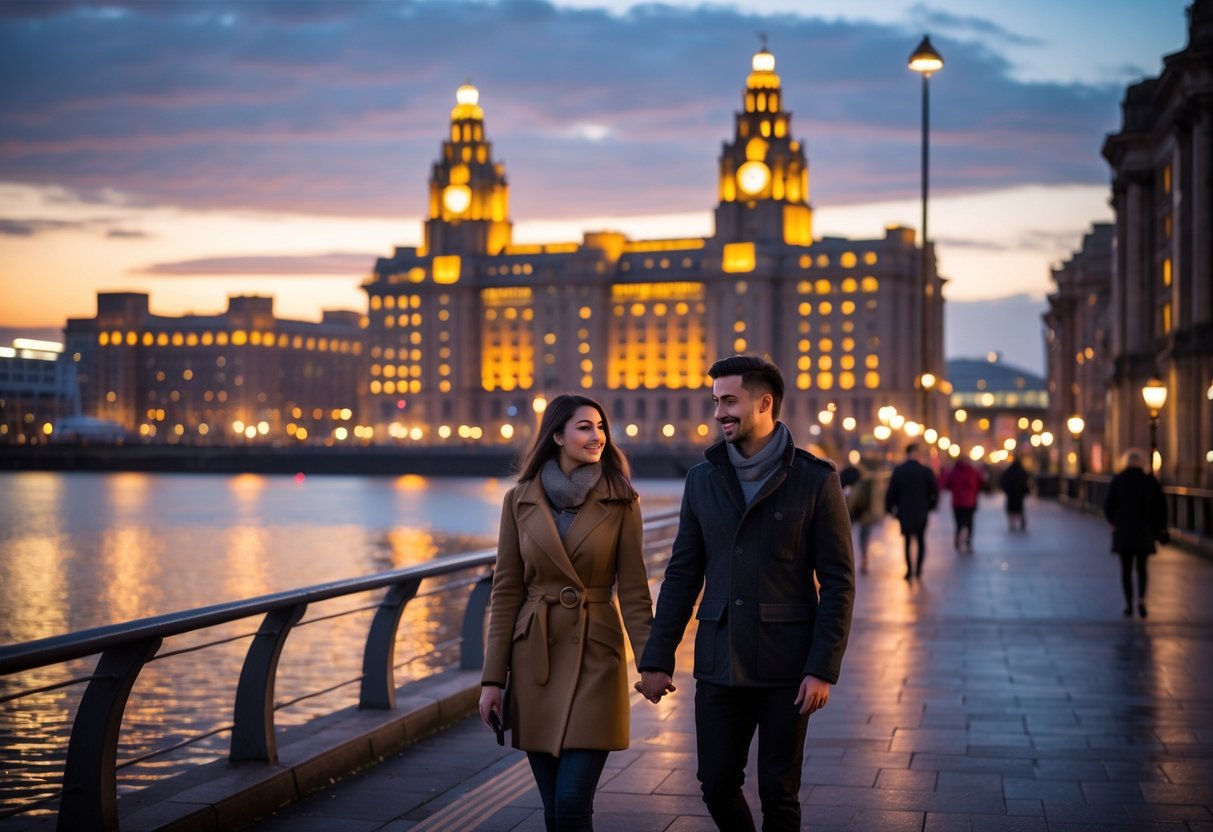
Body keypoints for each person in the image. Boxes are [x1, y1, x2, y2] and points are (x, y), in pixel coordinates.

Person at [636, 355, 855, 832]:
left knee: (780, 794)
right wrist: (657, 658)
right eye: (716, 402)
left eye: (729, 401)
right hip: (719, 661)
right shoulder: (702, 479)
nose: (719, 414)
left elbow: (839, 581)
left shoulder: (816, 479)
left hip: (787, 666)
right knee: (715, 784)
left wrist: (822, 669)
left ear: (765, 403)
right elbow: (681, 575)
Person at [479, 394, 653, 831]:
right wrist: (492, 680)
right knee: (555, 809)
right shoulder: (519, 500)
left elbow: (633, 589)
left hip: (596, 656)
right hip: (535, 658)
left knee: (574, 800)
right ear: (556, 435)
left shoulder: (621, 500)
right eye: (584, 427)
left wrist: (653, 661)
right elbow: (506, 592)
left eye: (600, 427)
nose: (597, 436)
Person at [1103, 448, 1169, 618]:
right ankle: (1141, 600)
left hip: (1124, 531)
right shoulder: (1150, 481)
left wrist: (1113, 523)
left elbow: (1108, 506)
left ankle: (1128, 604)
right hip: (1144, 531)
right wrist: (1157, 529)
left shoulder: (1118, 480)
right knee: (1142, 567)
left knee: (1125, 569)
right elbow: (1160, 508)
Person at [885, 443, 938, 581]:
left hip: (905, 511)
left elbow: (891, 492)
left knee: (907, 540)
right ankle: (918, 570)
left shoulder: (899, 470)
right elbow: (935, 491)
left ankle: (909, 570)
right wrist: (930, 506)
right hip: (921, 510)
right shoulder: (925, 471)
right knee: (920, 540)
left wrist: (891, 509)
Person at [842, 460, 883, 573]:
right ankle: (864, 559)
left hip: (857, 513)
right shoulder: (867, 481)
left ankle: (848, 561)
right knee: (863, 538)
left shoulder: (852, 480)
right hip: (865, 513)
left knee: (846, 538)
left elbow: (853, 500)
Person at [942, 456, 985, 553]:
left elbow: (947, 484)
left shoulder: (954, 472)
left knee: (958, 522)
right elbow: (981, 482)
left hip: (957, 501)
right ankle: (968, 541)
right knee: (969, 522)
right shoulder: (973, 471)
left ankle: (958, 537)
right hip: (970, 501)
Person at [999, 456, 1032, 531]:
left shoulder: (1008, 471)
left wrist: (1006, 490)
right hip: (1019, 493)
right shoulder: (1022, 471)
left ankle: (1012, 523)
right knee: (1020, 507)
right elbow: (1026, 479)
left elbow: (1003, 481)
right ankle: (1021, 520)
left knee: (1011, 508)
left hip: (1011, 493)